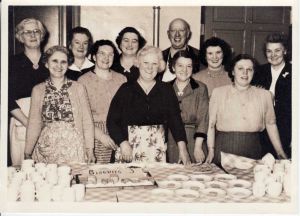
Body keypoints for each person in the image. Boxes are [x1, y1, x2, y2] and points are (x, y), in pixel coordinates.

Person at [107, 46, 191, 164]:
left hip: (156, 150)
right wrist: (123, 143)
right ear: (138, 63)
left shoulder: (166, 90)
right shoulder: (125, 89)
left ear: (160, 66)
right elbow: (112, 121)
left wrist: (183, 149)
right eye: (146, 62)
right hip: (128, 150)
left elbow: (175, 121)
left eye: (154, 63)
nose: (149, 68)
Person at [206, 54, 287, 165]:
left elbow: (271, 125)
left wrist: (280, 153)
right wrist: (211, 150)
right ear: (233, 72)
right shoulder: (218, 93)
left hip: (253, 149)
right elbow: (211, 124)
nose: (245, 73)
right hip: (224, 148)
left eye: (249, 69)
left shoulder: (265, 95)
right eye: (240, 69)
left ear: (254, 72)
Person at [24, 46, 95, 164]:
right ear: (46, 63)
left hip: (74, 149)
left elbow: (87, 121)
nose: (59, 66)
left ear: (68, 65)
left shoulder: (78, 88)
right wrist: (27, 152)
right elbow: (34, 122)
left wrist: (90, 149)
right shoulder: (38, 90)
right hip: (46, 149)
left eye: (63, 62)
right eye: (54, 61)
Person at [8, 18, 49, 166]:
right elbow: (7, 96)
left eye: (36, 31)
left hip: (49, 122)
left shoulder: (51, 61)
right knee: (24, 169)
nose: (32, 35)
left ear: (42, 35)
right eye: (27, 32)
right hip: (21, 119)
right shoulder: (11, 63)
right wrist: (27, 122)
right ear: (20, 36)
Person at [78, 40, 127, 163]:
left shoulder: (122, 79)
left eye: (110, 54)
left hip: (119, 133)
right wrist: (100, 136)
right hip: (94, 134)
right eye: (102, 53)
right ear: (94, 56)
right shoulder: (83, 81)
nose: (106, 58)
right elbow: (81, 116)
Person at [251, 33, 292, 158]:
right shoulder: (258, 71)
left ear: (285, 51)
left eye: (277, 50)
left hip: (286, 127)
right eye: (269, 51)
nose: (273, 55)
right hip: (261, 128)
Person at [167, 50, 209, 163]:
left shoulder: (200, 88)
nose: (184, 70)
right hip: (170, 139)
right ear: (173, 67)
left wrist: (198, 147)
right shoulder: (165, 88)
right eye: (180, 65)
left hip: (194, 140)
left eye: (189, 66)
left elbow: (203, 119)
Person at [158, 18, 201, 82]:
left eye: (181, 30)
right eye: (173, 30)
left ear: (188, 33)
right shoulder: (159, 56)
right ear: (168, 34)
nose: (177, 34)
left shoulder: (199, 56)